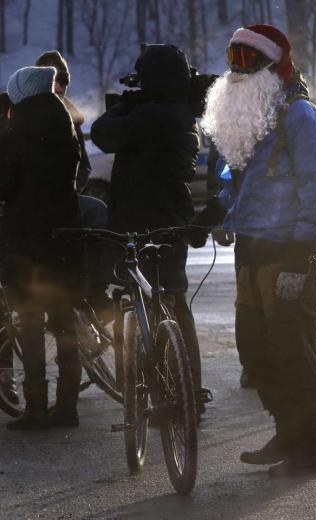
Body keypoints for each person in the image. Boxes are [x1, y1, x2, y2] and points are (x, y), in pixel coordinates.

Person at [200, 24, 316, 477]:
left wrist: (303, 250)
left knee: (291, 346)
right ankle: (286, 431)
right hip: (251, 248)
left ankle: (309, 448)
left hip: (287, 247)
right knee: (255, 348)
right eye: (231, 60)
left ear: (270, 66)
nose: (235, 72)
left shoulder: (299, 115)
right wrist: (218, 213)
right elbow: (234, 177)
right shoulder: (249, 117)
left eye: (246, 61)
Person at [90, 44, 209, 418]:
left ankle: (165, 395)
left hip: (144, 223)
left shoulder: (159, 115)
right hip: (169, 220)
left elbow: (102, 133)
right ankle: (185, 393)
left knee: (154, 305)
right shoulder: (177, 111)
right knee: (170, 302)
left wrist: (126, 106)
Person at [0, 66, 84, 430]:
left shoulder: (14, 133)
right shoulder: (65, 126)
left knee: (30, 325)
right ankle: (67, 406)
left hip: (27, 243)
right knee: (65, 324)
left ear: (20, 95)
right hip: (64, 238)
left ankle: (35, 407)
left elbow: (5, 187)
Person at [34, 51, 92, 193]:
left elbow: (83, 166)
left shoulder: (72, 120)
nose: (60, 87)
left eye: (64, 80)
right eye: (54, 80)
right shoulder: (20, 114)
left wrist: (69, 191)